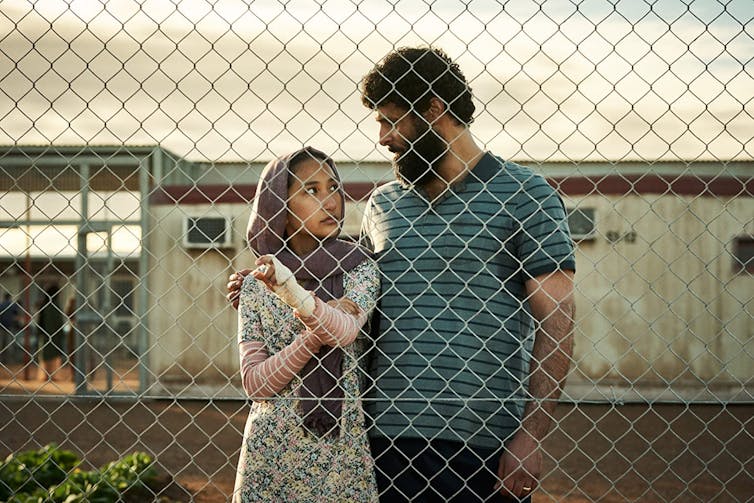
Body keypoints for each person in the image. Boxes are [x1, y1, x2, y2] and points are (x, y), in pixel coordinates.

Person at [228, 46, 576, 502]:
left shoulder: (528, 195)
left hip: (482, 441)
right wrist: (268, 290)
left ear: (434, 109)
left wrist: (532, 436)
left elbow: (559, 321)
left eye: (392, 121)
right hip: (381, 440)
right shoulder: (383, 205)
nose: (382, 137)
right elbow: (351, 295)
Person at [232, 147, 380, 502]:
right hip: (271, 450)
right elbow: (254, 382)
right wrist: (313, 327)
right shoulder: (257, 283)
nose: (330, 202)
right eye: (311, 190)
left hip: (340, 450)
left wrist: (296, 296)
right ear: (279, 205)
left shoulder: (360, 267)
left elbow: (345, 331)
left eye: (333, 188)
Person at [37, 284, 66, 381]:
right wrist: (61, 333)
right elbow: (59, 321)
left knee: (45, 356)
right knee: (54, 355)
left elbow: (40, 322)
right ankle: (53, 375)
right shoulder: (55, 306)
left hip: (45, 335)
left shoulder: (44, 305)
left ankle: (45, 375)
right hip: (54, 335)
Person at [0, 292, 21, 364]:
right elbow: (16, 314)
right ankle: (10, 357)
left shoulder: (1, 305)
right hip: (10, 325)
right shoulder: (12, 305)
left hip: (2, 325)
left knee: (2, 341)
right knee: (10, 342)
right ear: (9, 297)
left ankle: (2, 356)